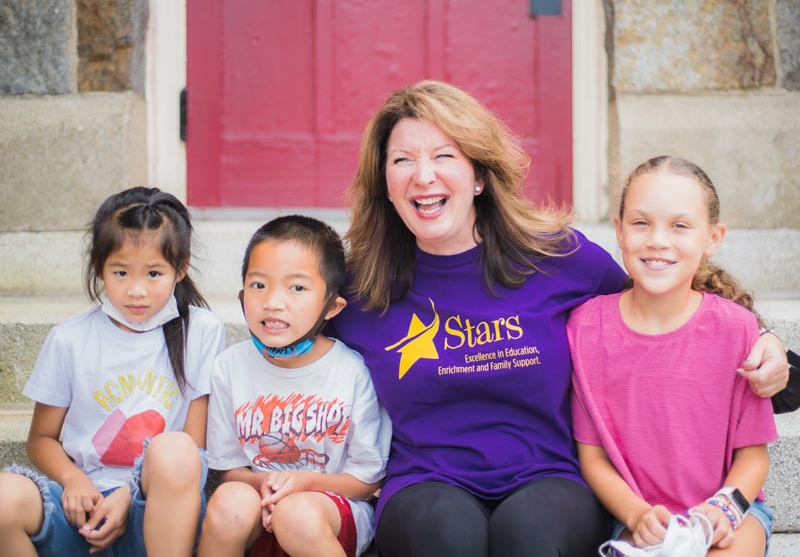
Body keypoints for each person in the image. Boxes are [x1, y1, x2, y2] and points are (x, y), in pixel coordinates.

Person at [327, 80, 789, 557]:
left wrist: (767, 338)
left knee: (531, 536)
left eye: (444, 156)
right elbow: (280, 338)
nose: (424, 177)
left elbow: (664, 300)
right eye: (403, 160)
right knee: (448, 536)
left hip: (547, 475)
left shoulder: (556, 257)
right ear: (384, 181)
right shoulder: (359, 287)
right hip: (426, 482)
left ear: (480, 176)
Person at [569, 156, 778, 556]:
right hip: (636, 516)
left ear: (713, 238)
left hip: (732, 512)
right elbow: (592, 457)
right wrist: (635, 515)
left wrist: (724, 509)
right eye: (641, 222)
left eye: (680, 226)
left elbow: (753, 456)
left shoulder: (738, 330)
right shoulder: (586, 329)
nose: (657, 240)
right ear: (618, 229)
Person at [0, 187, 226, 557]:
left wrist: (127, 494)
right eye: (120, 272)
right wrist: (74, 480)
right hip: (82, 505)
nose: (136, 291)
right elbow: (40, 438)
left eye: (154, 273)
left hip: (158, 507)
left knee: (174, 450)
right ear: (98, 266)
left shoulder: (200, 331)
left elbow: (195, 445)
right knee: (4, 497)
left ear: (180, 268)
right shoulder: (69, 339)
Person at [199, 215, 391, 557]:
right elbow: (228, 471)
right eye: (259, 285)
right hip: (259, 505)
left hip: (328, 511)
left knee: (297, 514)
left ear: (332, 306)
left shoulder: (351, 372)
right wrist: (268, 486)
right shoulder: (229, 367)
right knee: (229, 506)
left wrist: (303, 485)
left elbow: (367, 480)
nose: (273, 301)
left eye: (297, 288)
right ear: (242, 293)